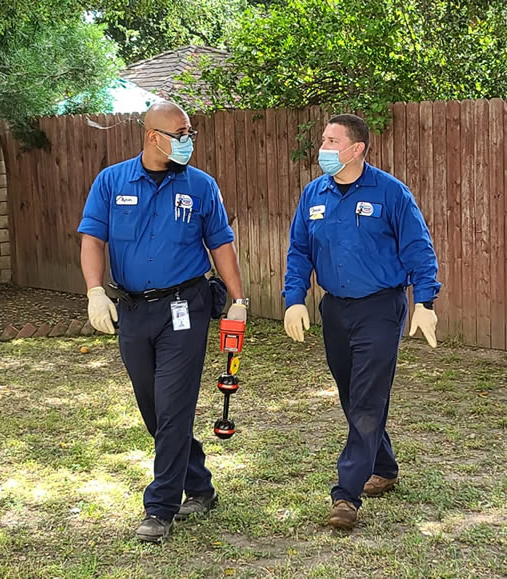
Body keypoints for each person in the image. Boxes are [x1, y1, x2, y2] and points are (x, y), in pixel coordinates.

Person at [78, 101, 249, 543]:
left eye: (190, 132)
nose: (188, 140)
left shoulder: (201, 186)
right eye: (180, 133)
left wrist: (238, 300)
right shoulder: (111, 181)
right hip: (134, 310)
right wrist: (95, 291)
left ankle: (160, 507)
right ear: (153, 137)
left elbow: (221, 245)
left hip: (184, 307)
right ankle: (200, 486)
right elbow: (93, 239)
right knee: (154, 408)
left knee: (174, 406)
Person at [282, 113, 440, 530]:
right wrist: (294, 299)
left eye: (332, 141)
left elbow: (418, 249)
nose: (323, 148)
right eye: (323, 140)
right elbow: (299, 251)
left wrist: (424, 301)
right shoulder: (314, 194)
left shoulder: (390, 193)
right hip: (335, 309)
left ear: (356, 149)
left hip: (380, 309)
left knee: (368, 398)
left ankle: (346, 495)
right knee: (352, 396)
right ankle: (383, 466)